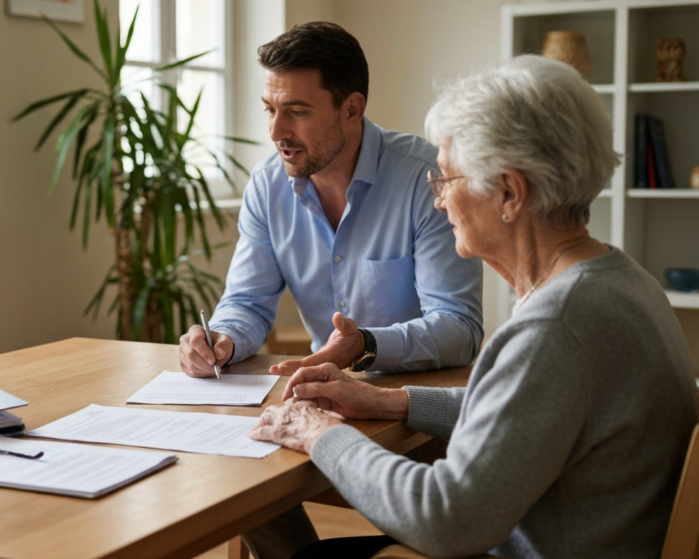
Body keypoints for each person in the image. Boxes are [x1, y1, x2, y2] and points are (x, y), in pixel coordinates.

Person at [247, 55, 699, 559]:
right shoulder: (619, 280)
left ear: (508, 193)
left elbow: (445, 520)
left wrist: (320, 433)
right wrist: (391, 402)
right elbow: (523, 409)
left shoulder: (556, 326)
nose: (438, 202)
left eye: (445, 179)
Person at [177, 22, 483, 379]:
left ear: (351, 109)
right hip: (319, 393)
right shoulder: (266, 185)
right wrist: (221, 338)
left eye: (297, 112)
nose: (276, 132)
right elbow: (247, 303)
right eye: (270, 110)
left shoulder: (426, 179)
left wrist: (366, 345)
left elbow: (459, 327)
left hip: (415, 401)